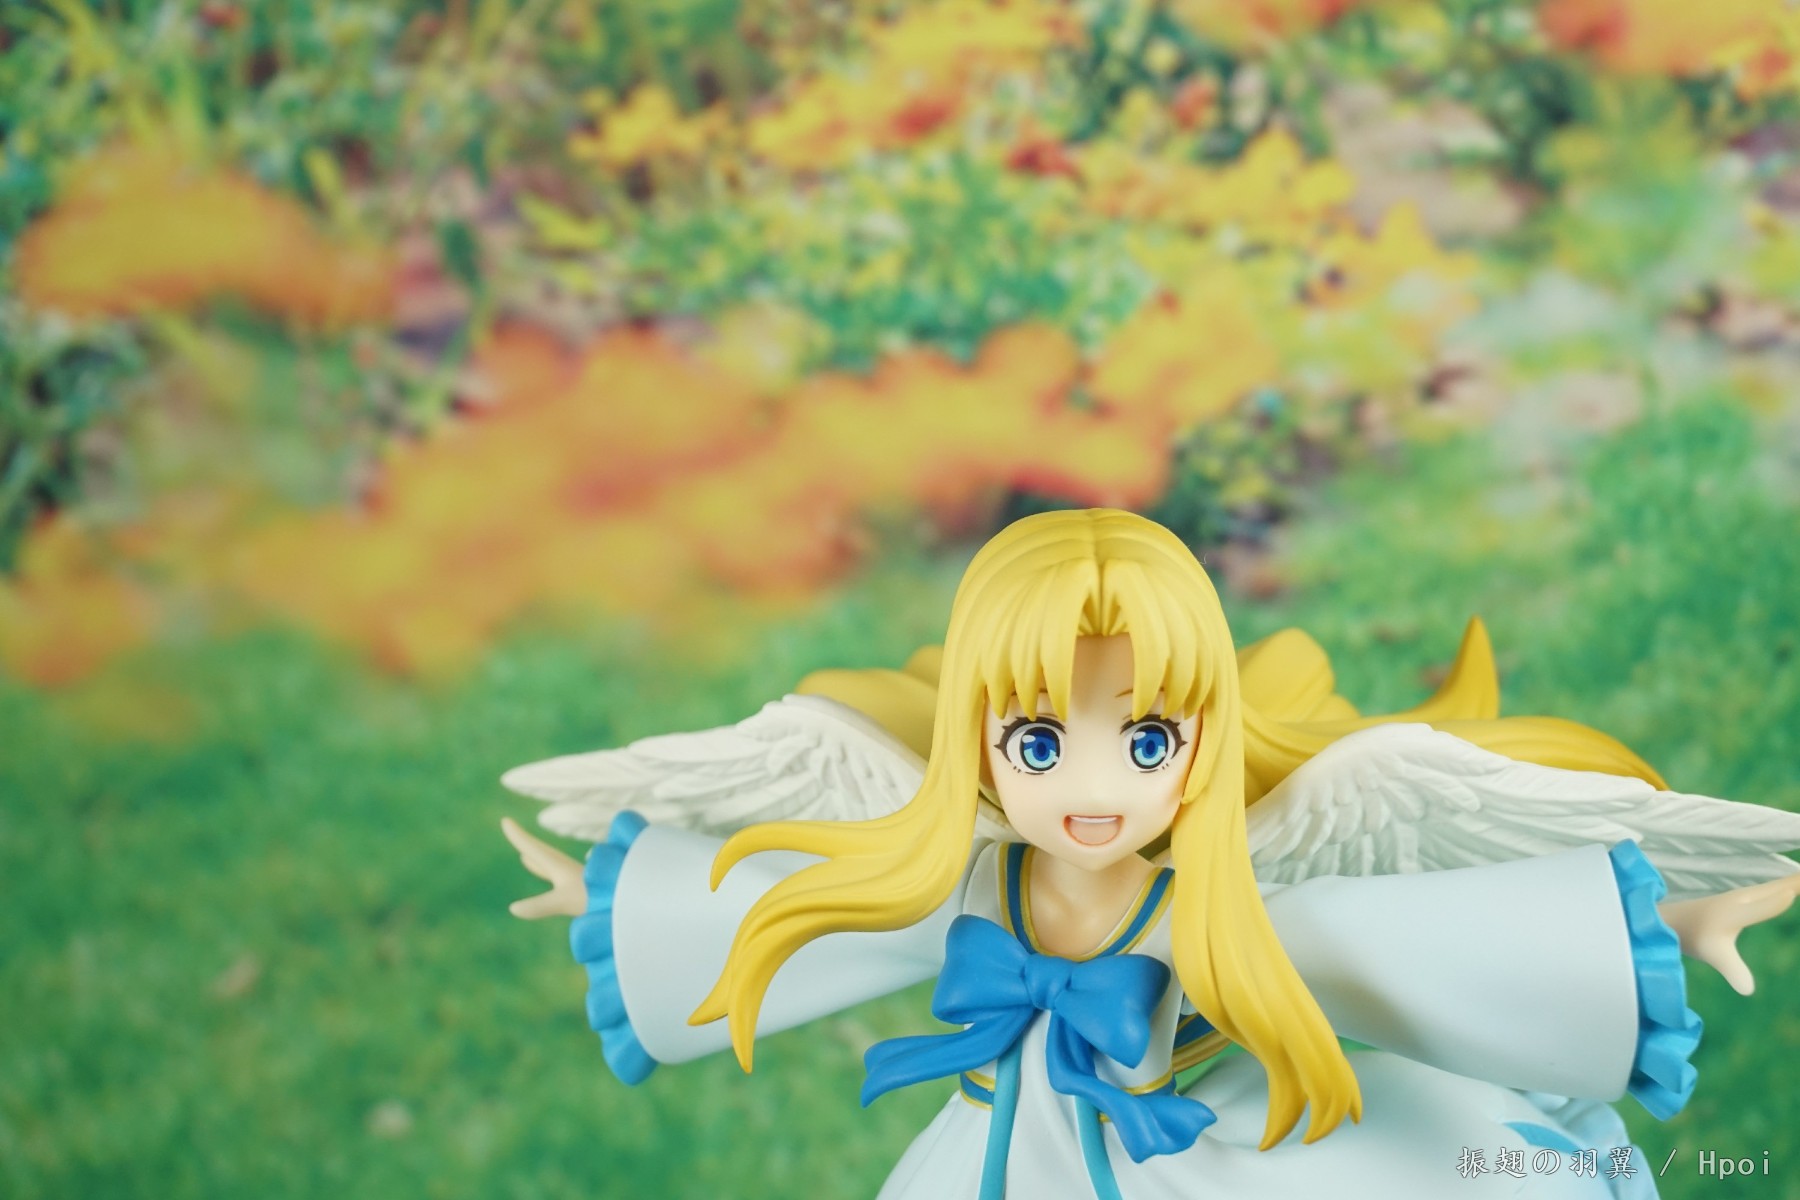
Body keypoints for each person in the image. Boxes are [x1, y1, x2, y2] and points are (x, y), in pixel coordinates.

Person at [503, 508, 1800, 1199]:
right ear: (976, 737)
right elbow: (816, 906)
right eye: (1038, 740)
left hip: (1193, 1154)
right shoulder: (975, 871)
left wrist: (1668, 925)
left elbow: (1412, 943)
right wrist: (621, 899)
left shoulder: (1211, 894)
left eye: (1143, 743)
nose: (1088, 788)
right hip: (1003, 1152)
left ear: (1202, 738)